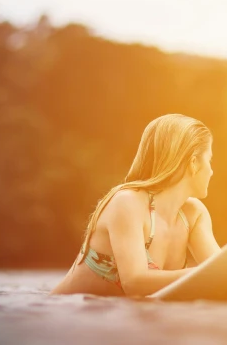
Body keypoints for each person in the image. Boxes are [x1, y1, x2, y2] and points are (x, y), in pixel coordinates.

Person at [51, 114, 218, 296]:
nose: (211, 171)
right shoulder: (127, 203)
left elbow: (222, 272)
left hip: (115, 322)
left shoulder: (194, 215)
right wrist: (203, 274)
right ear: (193, 163)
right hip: (60, 318)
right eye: (209, 159)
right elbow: (134, 283)